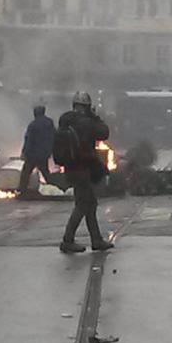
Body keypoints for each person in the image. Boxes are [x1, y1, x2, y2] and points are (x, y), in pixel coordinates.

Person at [58, 91, 114, 253]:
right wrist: (96, 117)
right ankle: (67, 240)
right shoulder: (86, 122)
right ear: (87, 107)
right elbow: (104, 133)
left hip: (71, 167)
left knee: (89, 204)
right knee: (83, 204)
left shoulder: (66, 120)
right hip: (83, 168)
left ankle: (96, 239)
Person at [18, 105, 56, 196]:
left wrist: (24, 152)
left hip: (33, 155)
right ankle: (55, 188)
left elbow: (28, 139)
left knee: (26, 173)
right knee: (46, 173)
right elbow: (54, 136)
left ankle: (22, 191)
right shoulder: (49, 123)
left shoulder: (33, 125)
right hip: (44, 153)